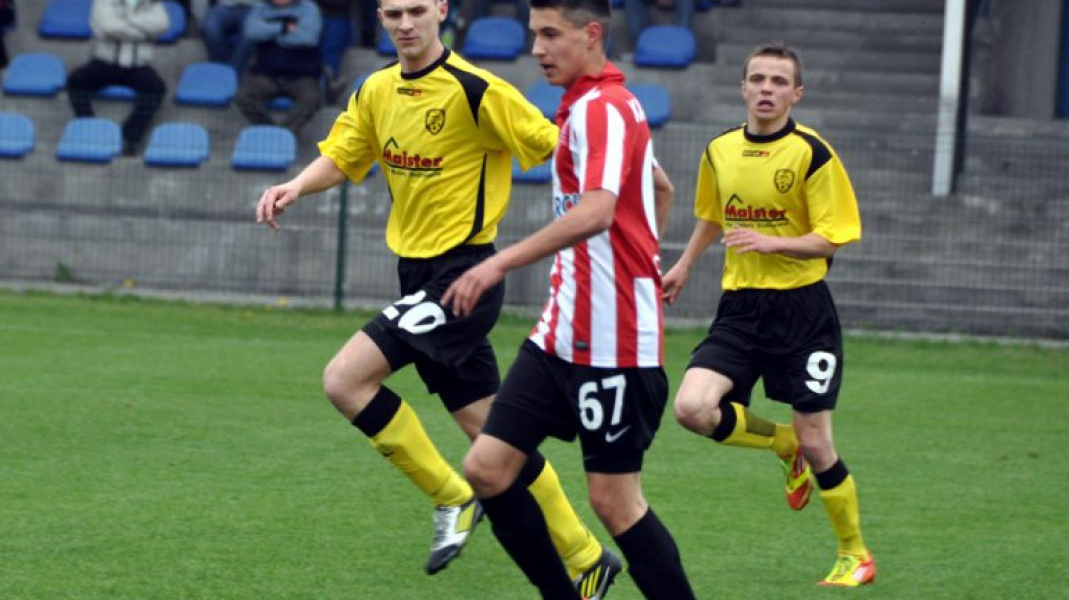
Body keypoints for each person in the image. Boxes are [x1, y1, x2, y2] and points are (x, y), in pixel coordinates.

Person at [255, 0, 621, 595]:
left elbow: (559, 148)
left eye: (417, 10)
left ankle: (454, 498)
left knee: (345, 380)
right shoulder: (375, 89)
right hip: (417, 276)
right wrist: (295, 185)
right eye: (393, 12)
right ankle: (586, 556)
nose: (405, 23)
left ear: (441, 12)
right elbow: (344, 155)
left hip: (465, 277)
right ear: (379, 16)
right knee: (493, 436)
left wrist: (618, 211)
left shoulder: (478, 90)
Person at [443, 1, 694, 598]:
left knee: (614, 501)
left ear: (591, 34)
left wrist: (500, 260)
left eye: (550, 34)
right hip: (559, 337)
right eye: (534, 34)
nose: (537, 48)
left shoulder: (604, 108)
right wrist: (641, 259)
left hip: (614, 347)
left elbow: (598, 210)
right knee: (487, 468)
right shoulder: (592, 106)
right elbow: (659, 187)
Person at [660, 41, 874, 588]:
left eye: (779, 82)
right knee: (691, 408)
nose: (766, 90)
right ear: (742, 87)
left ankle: (855, 553)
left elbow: (833, 237)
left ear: (796, 93)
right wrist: (684, 264)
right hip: (740, 307)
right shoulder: (719, 149)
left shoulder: (812, 153)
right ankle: (782, 445)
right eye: (757, 79)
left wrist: (773, 243)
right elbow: (713, 215)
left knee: (819, 438)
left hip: (803, 313)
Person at [65, 0, 169, 157]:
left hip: (137, 66)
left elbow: (162, 25)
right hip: (104, 63)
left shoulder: (152, 3)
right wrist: (143, 32)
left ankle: (129, 137)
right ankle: (90, 130)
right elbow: (107, 27)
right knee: (75, 81)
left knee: (157, 88)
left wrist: (125, 20)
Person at [233, 0, 323, 134]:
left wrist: (269, 36)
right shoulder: (260, 9)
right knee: (243, 96)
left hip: (300, 75)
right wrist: (283, 28)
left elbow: (308, 37)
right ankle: (269, 131)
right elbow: (251, 32)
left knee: (313, 98)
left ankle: (283, 133)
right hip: (266, 74)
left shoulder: (309, 8)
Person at [192, 0, 258, 74]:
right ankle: (221, 68)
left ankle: (233, 73)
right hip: (224, 6)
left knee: (250, 34)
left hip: (254, 8)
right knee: (210, 27)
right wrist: (201, 18)